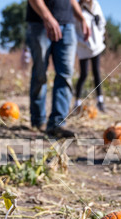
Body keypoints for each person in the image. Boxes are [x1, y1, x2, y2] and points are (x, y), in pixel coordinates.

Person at [26, 0, 90, 138]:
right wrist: (47, 17)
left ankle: (57, 124)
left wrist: (82, 18)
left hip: (67, 25)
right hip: (39, 23)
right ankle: (38, 120)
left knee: (66, 74)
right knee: (40, 73)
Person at [73, 0, 106, 113]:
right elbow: (74, 28)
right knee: (84, 74)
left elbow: (102, 23)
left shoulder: (96, 5)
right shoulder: (77, 7)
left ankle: (100, 101)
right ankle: (77, 102)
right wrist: (81, 42)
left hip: (96, 45)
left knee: (96, 72)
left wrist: (100, 36)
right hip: (83, 46)